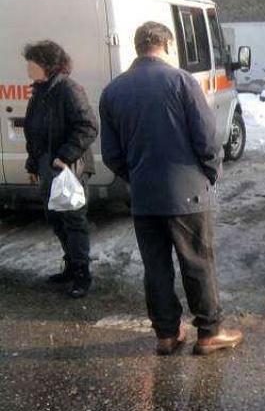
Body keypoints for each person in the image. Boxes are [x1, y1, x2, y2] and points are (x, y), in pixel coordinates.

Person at [99, 21, 243, 356]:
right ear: (167, 45)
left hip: (144, 195)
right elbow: (207, 139)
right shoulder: (182, 81)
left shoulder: (113, 91)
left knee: (156, 266)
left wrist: (136, 177)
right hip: (188, 193)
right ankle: (209, 331)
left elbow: (111, 154)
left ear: (138, 47)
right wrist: (211, 172)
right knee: (197, 262)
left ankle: (166, 334)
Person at [23, 40, 97, 299]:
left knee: (73, 221)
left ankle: (82, 274)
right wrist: (33, 164)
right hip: (47, 166)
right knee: (55, 219)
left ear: (47, 64)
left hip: (69, 169)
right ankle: (71, 266)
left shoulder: (67, 89)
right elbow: (33, 132)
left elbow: (88, 126)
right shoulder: (40, 91)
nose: (28, 68)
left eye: (32, 63)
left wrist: (64, 157)